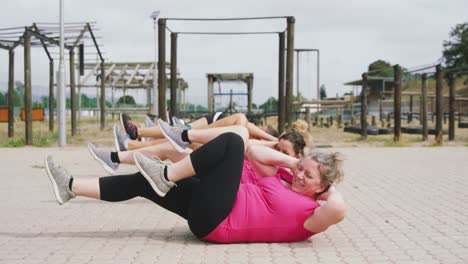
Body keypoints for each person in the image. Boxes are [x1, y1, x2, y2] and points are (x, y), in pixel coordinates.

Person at [45, 129, 346, 243]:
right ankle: (70, 186)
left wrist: (326, 188)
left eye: (308, 176)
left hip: (219, 220)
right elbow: (255, 153)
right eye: (301, 170)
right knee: (144, 183)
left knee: (233, 141)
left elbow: (339, 208)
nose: (299, 176)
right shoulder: (283, 177)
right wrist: (295, 164)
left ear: (322, 187)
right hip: (211, 208)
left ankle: (168, 174)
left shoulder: (312, 214)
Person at [116, 112, 278, 151]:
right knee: (182, 134)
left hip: (218, 141)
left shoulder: (258, 148)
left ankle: (134, 141)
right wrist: (274, 140)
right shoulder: (249, 135)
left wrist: (273, 141)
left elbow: (246, 126)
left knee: (182, 136)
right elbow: (247, 126)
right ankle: (135, 138)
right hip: (214, 125)